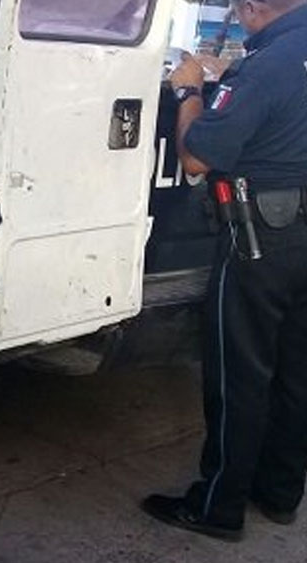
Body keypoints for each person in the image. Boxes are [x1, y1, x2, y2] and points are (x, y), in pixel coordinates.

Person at [142, 0, 307, 542]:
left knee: (241, 376)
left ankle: (218, 505)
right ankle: (280, 493)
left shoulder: (268, 65)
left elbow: (196, 157)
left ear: (254, 8)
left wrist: (190, 89)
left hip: (259, 240)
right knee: (295, 373)